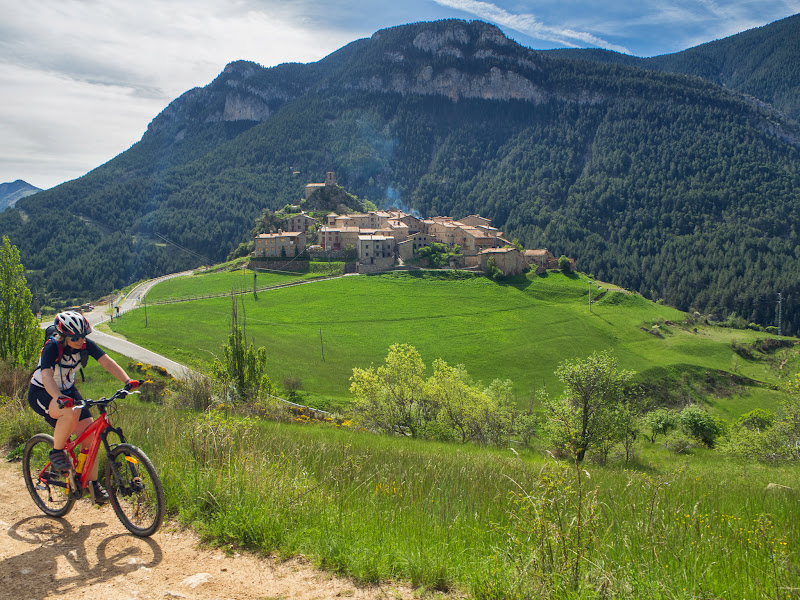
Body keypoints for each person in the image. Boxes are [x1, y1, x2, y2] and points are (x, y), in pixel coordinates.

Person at [28, 310, 138, 504]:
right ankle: (57, 452)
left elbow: (107, 362)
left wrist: (127, 381)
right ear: (64, 335)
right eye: (75, 337)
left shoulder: (85, 345)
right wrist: (59, 397)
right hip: (42, 392)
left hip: (68, 391)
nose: (80, 341)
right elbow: (46, 376)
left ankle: (92, 483)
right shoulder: (52, 347)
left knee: (90, 437)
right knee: (70, 413)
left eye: (83, 336)